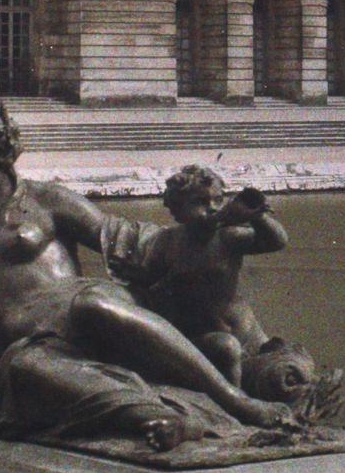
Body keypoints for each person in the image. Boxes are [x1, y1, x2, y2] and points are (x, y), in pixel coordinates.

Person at [0, 96, 296, 452]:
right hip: (26, 342)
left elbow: (133, 241)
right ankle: (161, 417)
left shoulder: (47, 199)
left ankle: (234, 401)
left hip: (82, 314)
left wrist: (214, 223)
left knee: (93, 303)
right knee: (24, 369)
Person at [120, 165, 287, 388]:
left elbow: (276, 241)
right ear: (177, 209)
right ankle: (235, 403)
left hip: (249, 338)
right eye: (200, 202)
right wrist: (132, 273)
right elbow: (150, 279)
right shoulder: (168, 242)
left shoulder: (227, 237)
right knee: (226, 347)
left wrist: (259, 217)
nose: (212, 207)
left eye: (217, 200)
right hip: (208, 342)